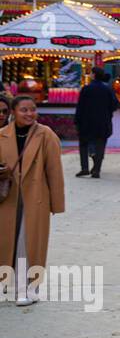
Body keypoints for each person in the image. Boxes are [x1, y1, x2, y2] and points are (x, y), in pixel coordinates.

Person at [0, 95, 66, 306]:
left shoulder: (46, 135)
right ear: (13, 112)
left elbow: (54, 171)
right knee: (5, 243)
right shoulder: (2, 135)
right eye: (24, 110)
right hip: (7, 197)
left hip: (35, 197)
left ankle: (27, 288)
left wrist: (56, 203)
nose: (29, 114)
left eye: (33, 109)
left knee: (26, 244)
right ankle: (6, 285)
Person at [73, 67, 118, 178]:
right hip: (103, 121)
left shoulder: (86, 89)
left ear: (93, 75)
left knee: (84, 145)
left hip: (86, 122)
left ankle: (84, 168)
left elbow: (80, 106)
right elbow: (114, 105)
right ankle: (96, 169)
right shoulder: (107, 89)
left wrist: (77, 120)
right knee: (100, 145)